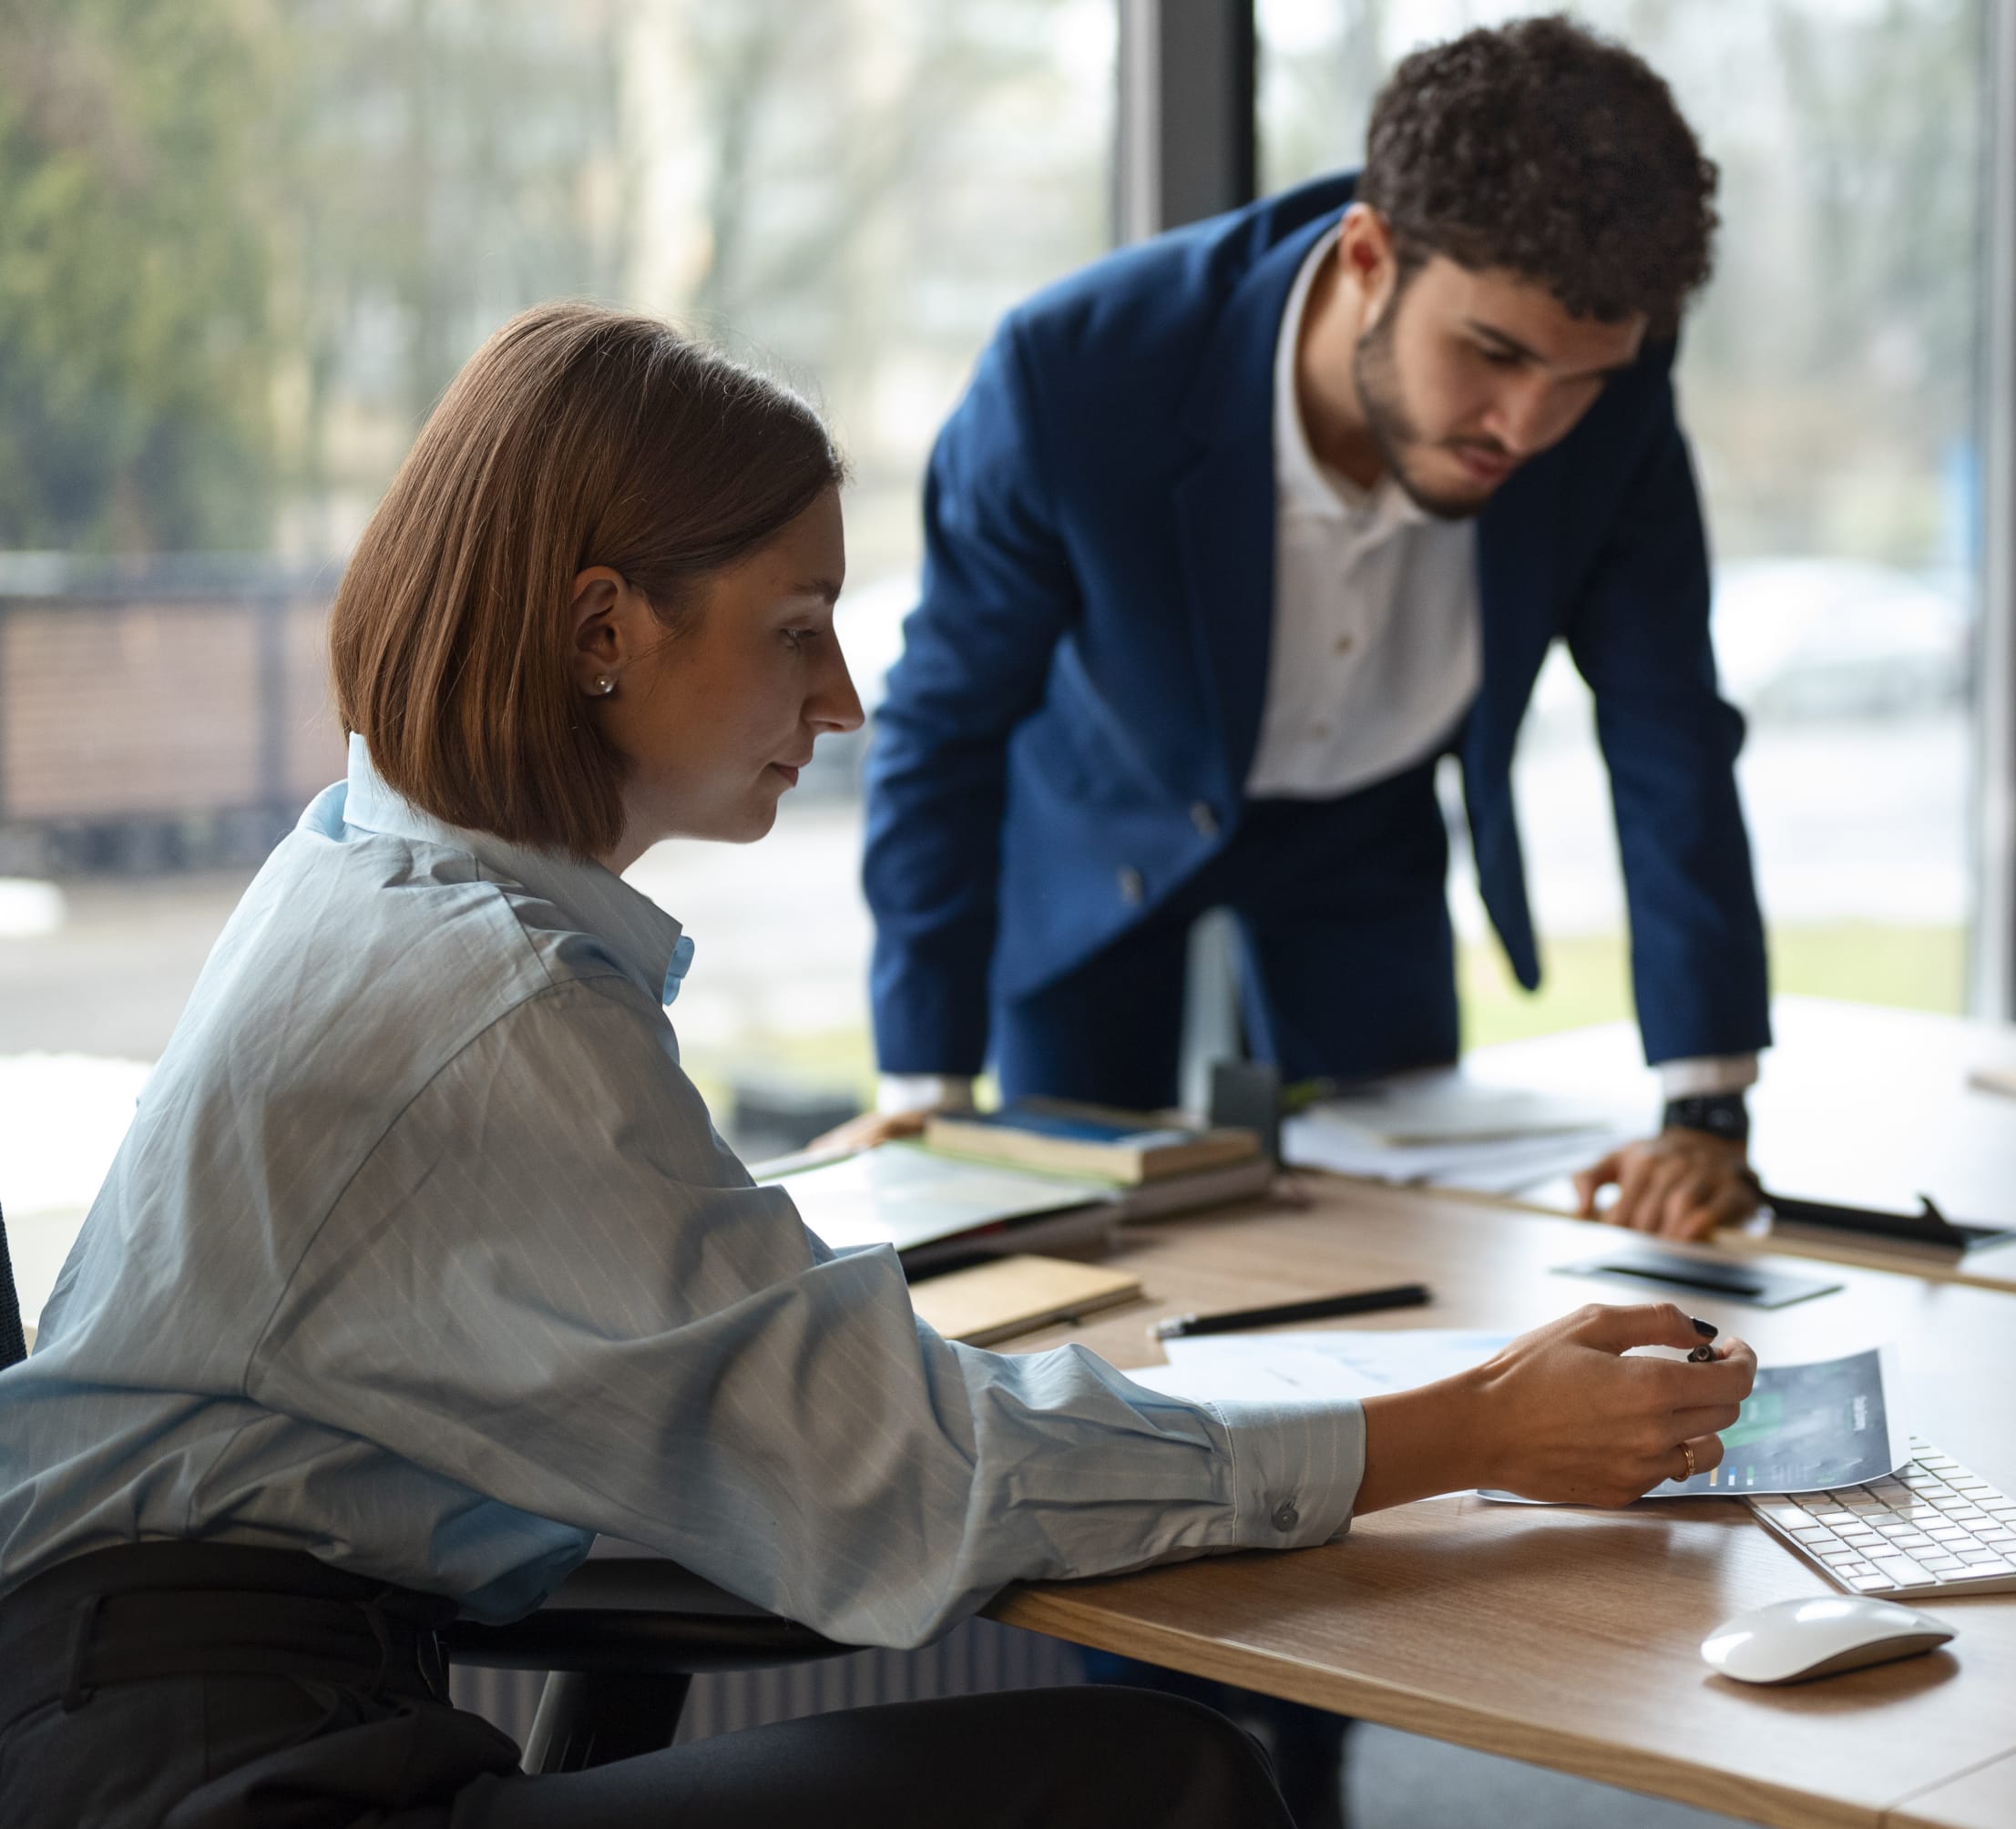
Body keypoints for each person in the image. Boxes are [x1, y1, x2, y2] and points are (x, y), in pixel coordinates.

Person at [0, 301, 1755, 1829]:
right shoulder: (492, 1004)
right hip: (226, 1775)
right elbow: (928, 1479)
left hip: (174, 1716)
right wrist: (1469, 1429)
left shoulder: (369, 872)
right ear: (603, 629)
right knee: (1158, 1781)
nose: (841, 698)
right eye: (796, 625)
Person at [845, 16, 1772, 1244]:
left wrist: (1705, 1106)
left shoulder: (1615, 400)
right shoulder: (1073, 379)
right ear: (1370, 255)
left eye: (1579, 378)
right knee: (1061, 1246)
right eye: (1490, 354)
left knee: (1399, 1249)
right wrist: (924, 1086)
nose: (1529, 424)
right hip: (1100, 827)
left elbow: (1668, 728)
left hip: (1366, 838)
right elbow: (941, 730)